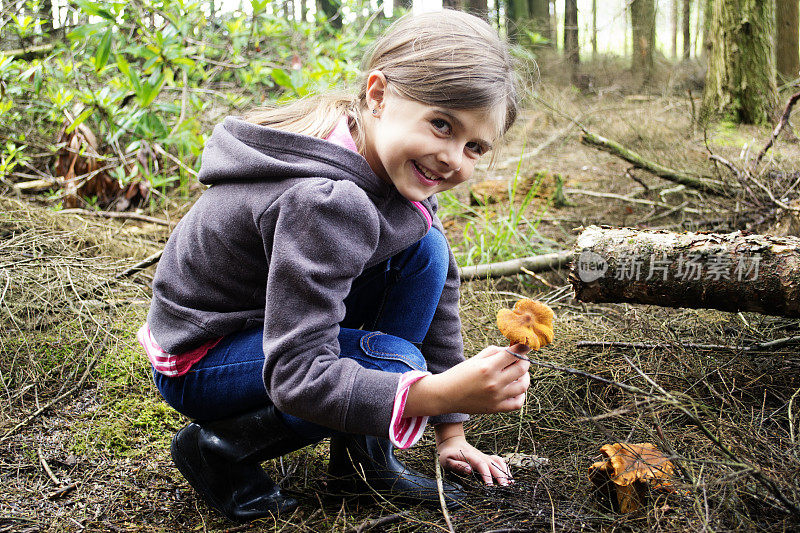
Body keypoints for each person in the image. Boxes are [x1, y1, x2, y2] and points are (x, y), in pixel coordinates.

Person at [137, 8, 532, 522]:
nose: (453, 158)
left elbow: (441, 292)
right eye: (441, 124)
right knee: (396, 365)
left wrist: (450, 431)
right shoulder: (325, 200)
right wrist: (430, 394)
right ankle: (221, 449)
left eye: (475, 146)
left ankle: (364, 461)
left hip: (269, 324)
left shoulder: (389, 164)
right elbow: (299, 372)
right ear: (378, 95)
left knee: (427, 250)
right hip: (203, 356)